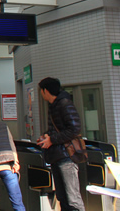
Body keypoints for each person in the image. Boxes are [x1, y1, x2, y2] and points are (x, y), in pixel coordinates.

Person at [36, 77, 85, 211]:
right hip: (57, 155)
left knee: (72, 197)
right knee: (62, 196)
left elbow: (74, 129)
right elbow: (58, 129)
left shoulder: (64, 104)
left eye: (41, 90)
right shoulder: (54, 105)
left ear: (45, 91)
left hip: (66, 156)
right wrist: (46, 137)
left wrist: (52, 140)